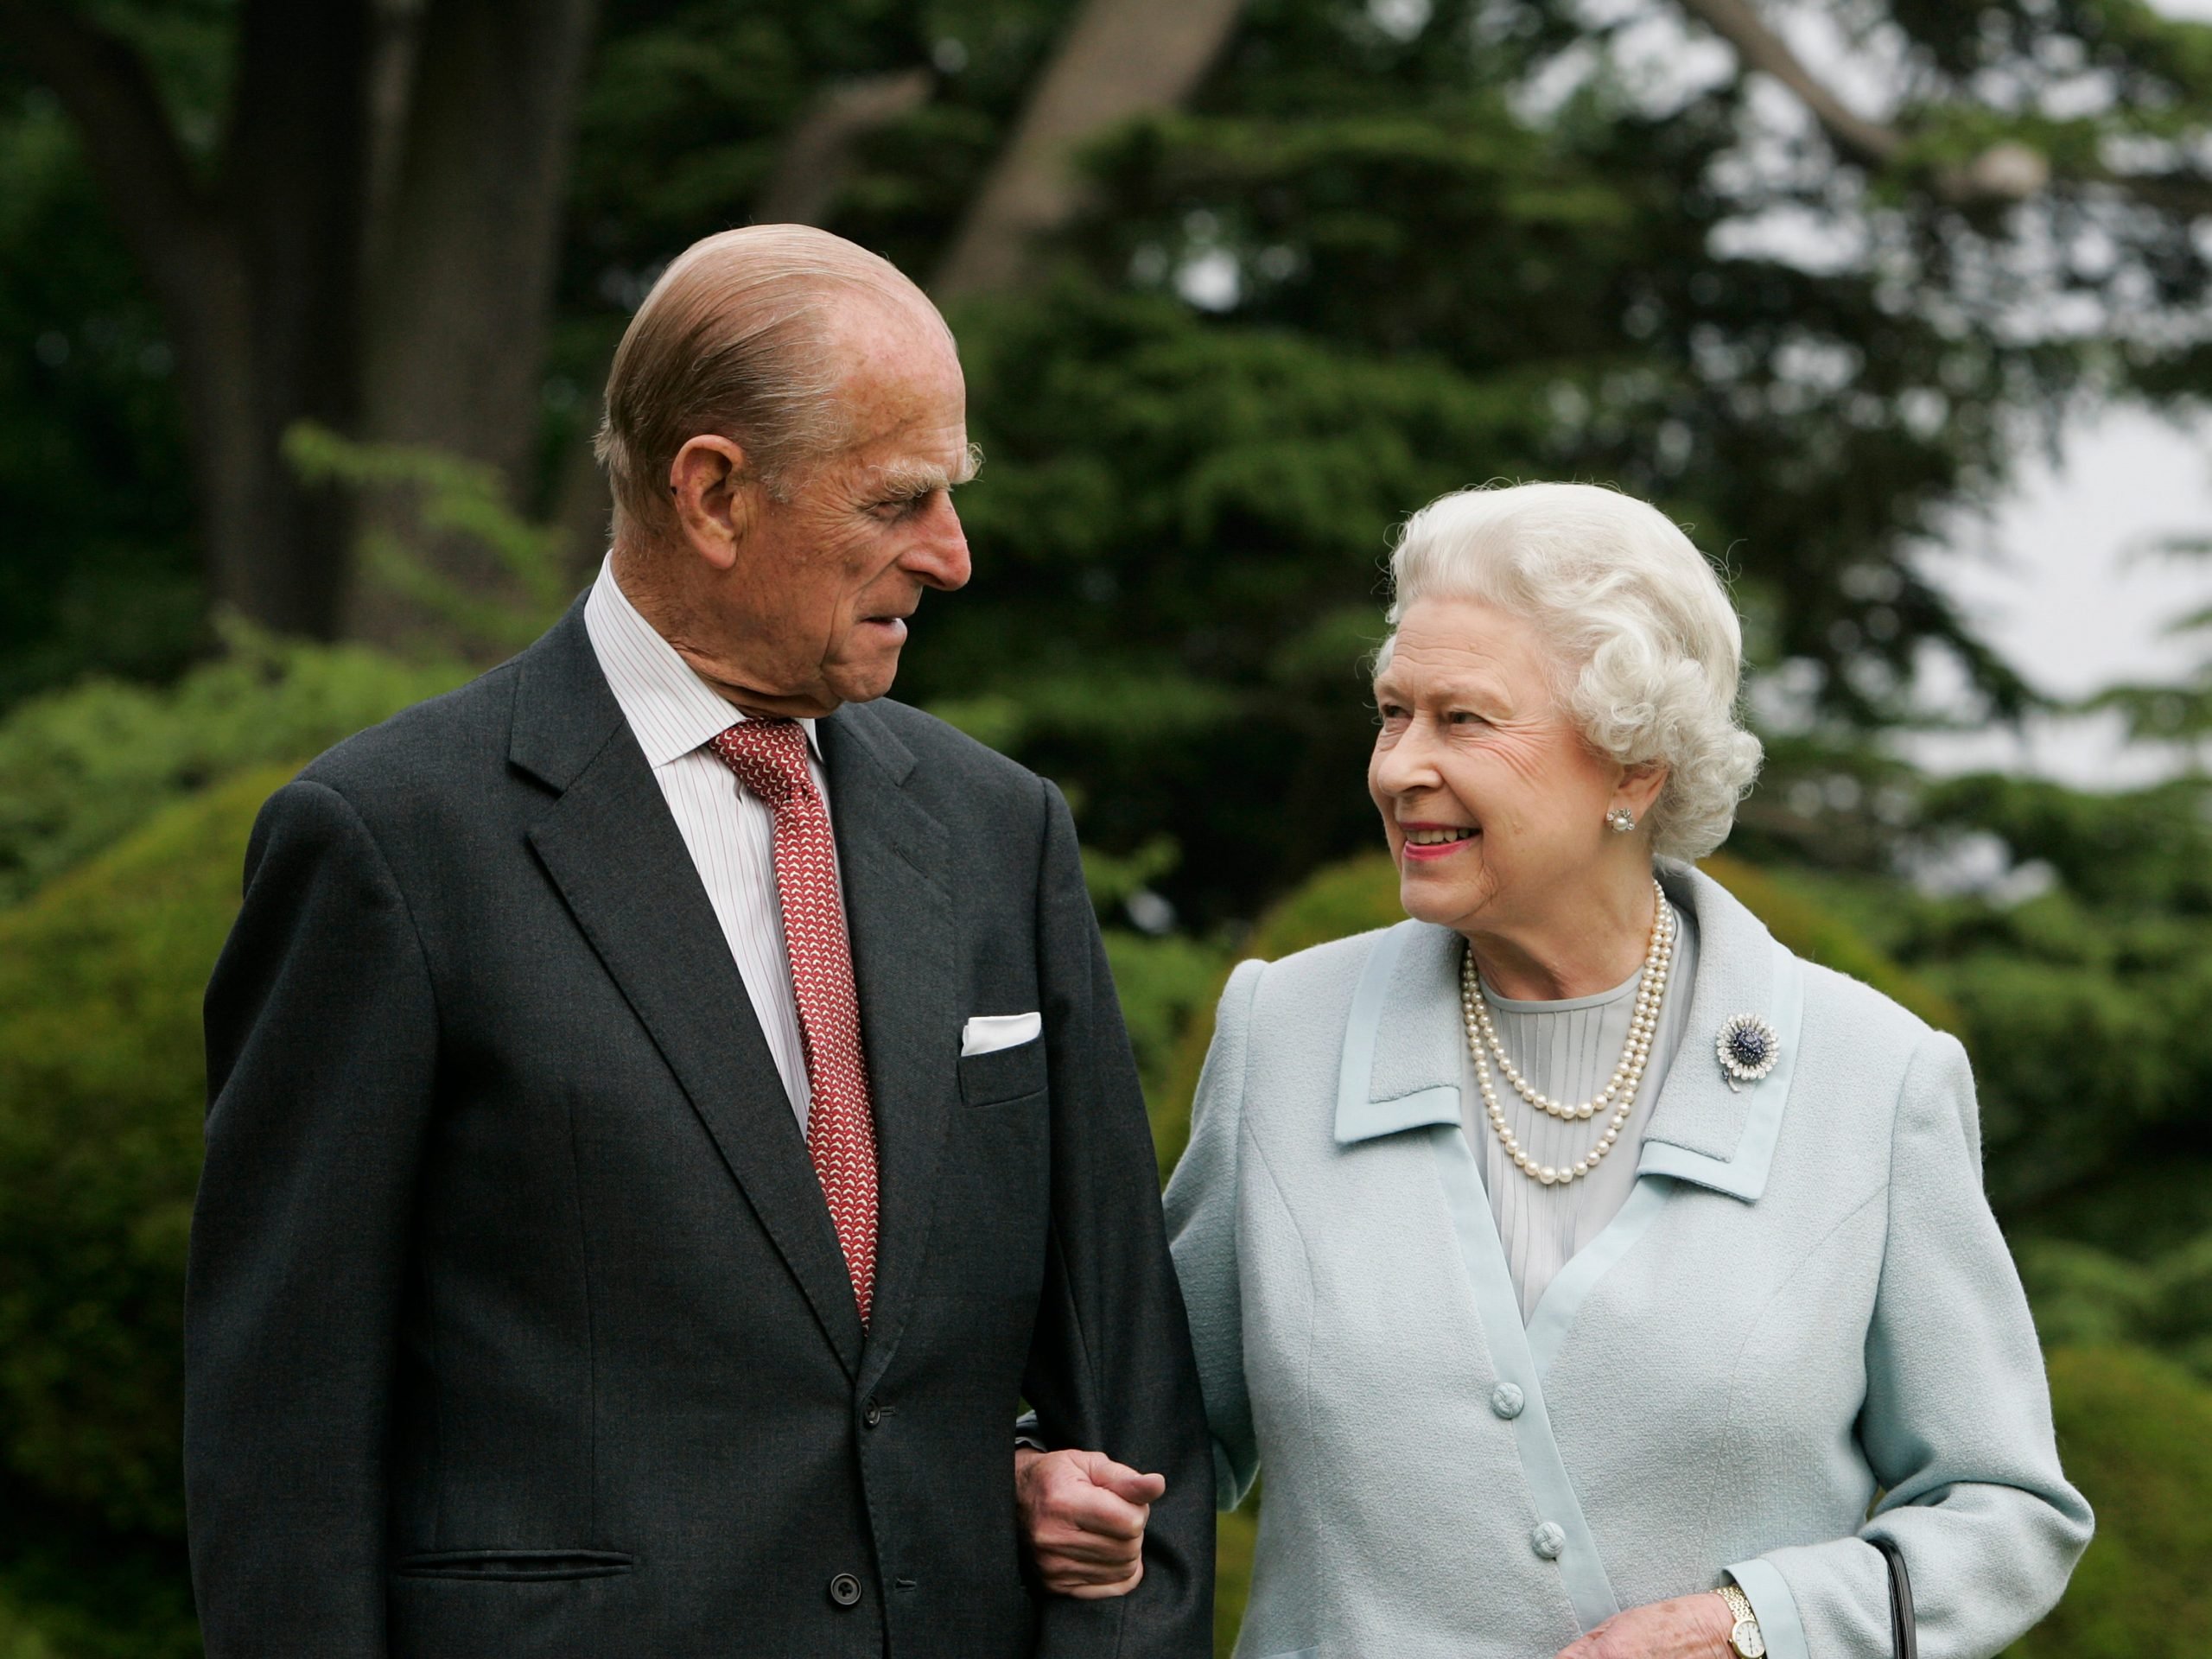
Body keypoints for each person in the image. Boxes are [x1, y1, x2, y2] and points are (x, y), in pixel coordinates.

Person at [184, 225, 1212, 1658]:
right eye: (900, 499)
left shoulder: (1001, 834)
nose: (953, 556)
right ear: (715, 493)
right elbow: (279, 1441)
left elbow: (1131, 1392)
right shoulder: (387, 845)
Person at [1024, 481, 2092, 1658]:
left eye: (1464, 720)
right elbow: (1151, 1427)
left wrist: (1752, 1628)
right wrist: (1048, 1478)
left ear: (1634, 769)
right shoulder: (1286, 1030)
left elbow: (2006, 1514)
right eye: (1393, 713)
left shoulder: (1874, 1079)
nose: (1398, 768)